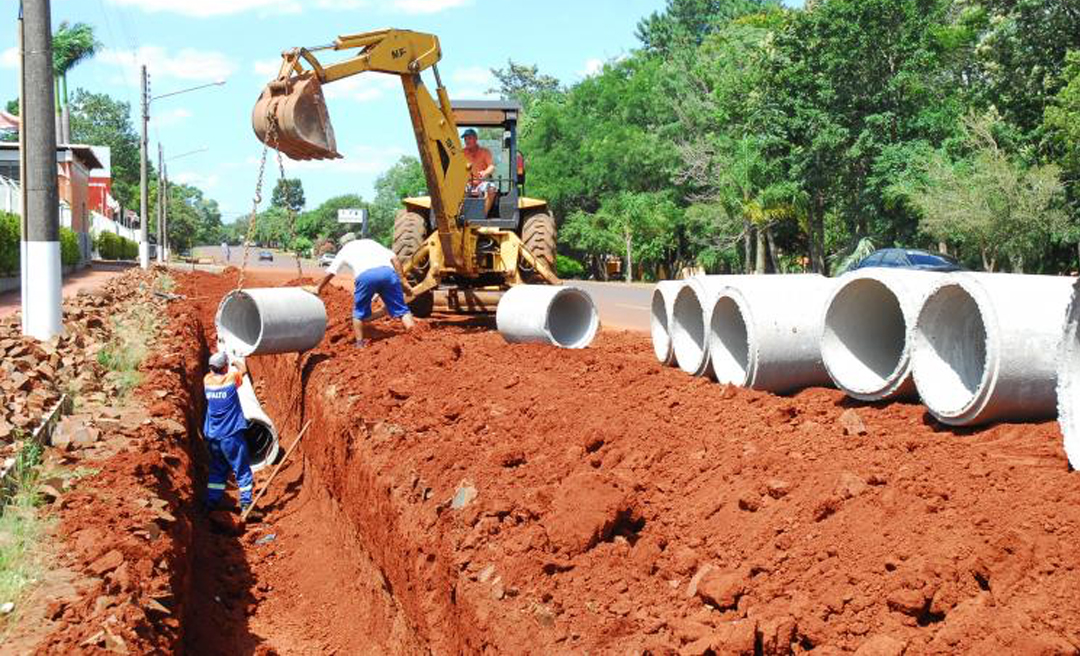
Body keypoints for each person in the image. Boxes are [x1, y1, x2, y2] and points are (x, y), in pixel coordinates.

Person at [304, 235, 416, 347]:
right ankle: (415, 335)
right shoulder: (370, 242)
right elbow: (395, 259)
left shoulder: (345, 249)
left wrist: (318, 288)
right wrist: (403, 281)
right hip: (388, 273)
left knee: (358, 314)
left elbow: (332, 271)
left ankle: (359, 344)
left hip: (365, 277)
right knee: (402, 309)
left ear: (343, 244)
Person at [202, 351, 254, 514]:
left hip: (213, 436)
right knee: (242, 469)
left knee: (218, 470)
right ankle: (246, 505)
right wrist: (236, 360)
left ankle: (211, 502)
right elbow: (243, 370)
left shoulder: (207, 381)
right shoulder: (231, 380)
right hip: (231, 436)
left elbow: (216, 372)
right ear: (225, 367)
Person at [461, 128, 497, 216]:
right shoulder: (462, 153)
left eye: (469, 138)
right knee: (456, 190)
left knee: (491, 189)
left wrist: (485, 173)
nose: (467, 141)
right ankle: (461, 216)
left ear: (475, 139)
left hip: (482, 183)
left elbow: (491, 166)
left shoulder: (485, 152)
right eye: (465, 139)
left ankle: (482, 215)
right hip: (467, 183)